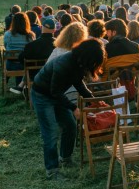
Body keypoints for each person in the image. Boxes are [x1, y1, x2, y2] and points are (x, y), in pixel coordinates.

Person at [30, 38, 106, 181]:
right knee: (51, 132)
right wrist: (73, 108)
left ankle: (65, 158)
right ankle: (52, 170)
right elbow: (55, 92)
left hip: (56, 94)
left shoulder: (79, 63)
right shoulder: (63, 63)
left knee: (70, 126)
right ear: (88, 56)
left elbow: (78, 83)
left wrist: (92, 99)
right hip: (42, 95)